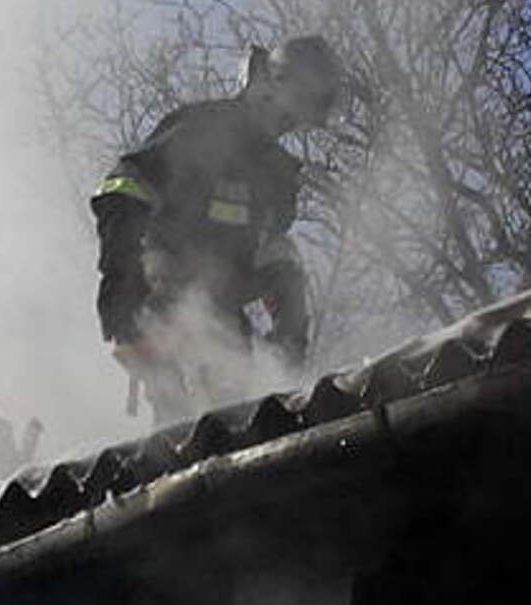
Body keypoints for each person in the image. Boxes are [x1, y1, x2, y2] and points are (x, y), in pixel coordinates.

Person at [90, 34, 347, 424]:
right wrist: (121, 286)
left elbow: (274, 255)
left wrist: (289, 338)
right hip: (167, 295)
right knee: (180, 427)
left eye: (302, 114)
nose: (290, 121)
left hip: (224, 318)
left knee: (238, 420)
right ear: (273, 81)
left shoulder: (278, 179)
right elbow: (124, 186)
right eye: (295, 103)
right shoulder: (204, 127)